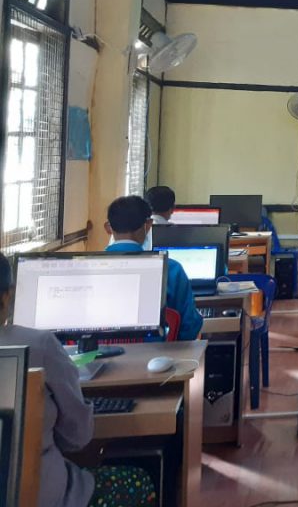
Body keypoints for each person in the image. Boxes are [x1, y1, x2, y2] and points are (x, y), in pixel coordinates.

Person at [0, 254, 157, 507]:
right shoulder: (39, 345)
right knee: (139, 481)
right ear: (8, 295)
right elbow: (77, 437)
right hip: (40, 495)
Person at [105, 196, 204, 340]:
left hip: (97, 353)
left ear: (108, 227)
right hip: (157, 352)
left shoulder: (84, 267)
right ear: (148, 224)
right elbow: (190, 325)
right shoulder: (171, 269)